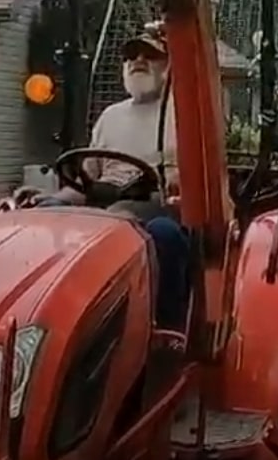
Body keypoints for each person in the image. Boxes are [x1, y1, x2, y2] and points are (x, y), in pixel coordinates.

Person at [25, 26, 196, 332]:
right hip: (108, 213)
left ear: (169, 65)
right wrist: (51, 201)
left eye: (150, 55)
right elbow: (86, 183)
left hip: (159, 210)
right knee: (47, 222)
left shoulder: (185, 115)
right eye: (131, 56)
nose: (138, 61)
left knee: (165, 236)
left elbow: (196, 180)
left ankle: (167, 331)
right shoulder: (111, 116)